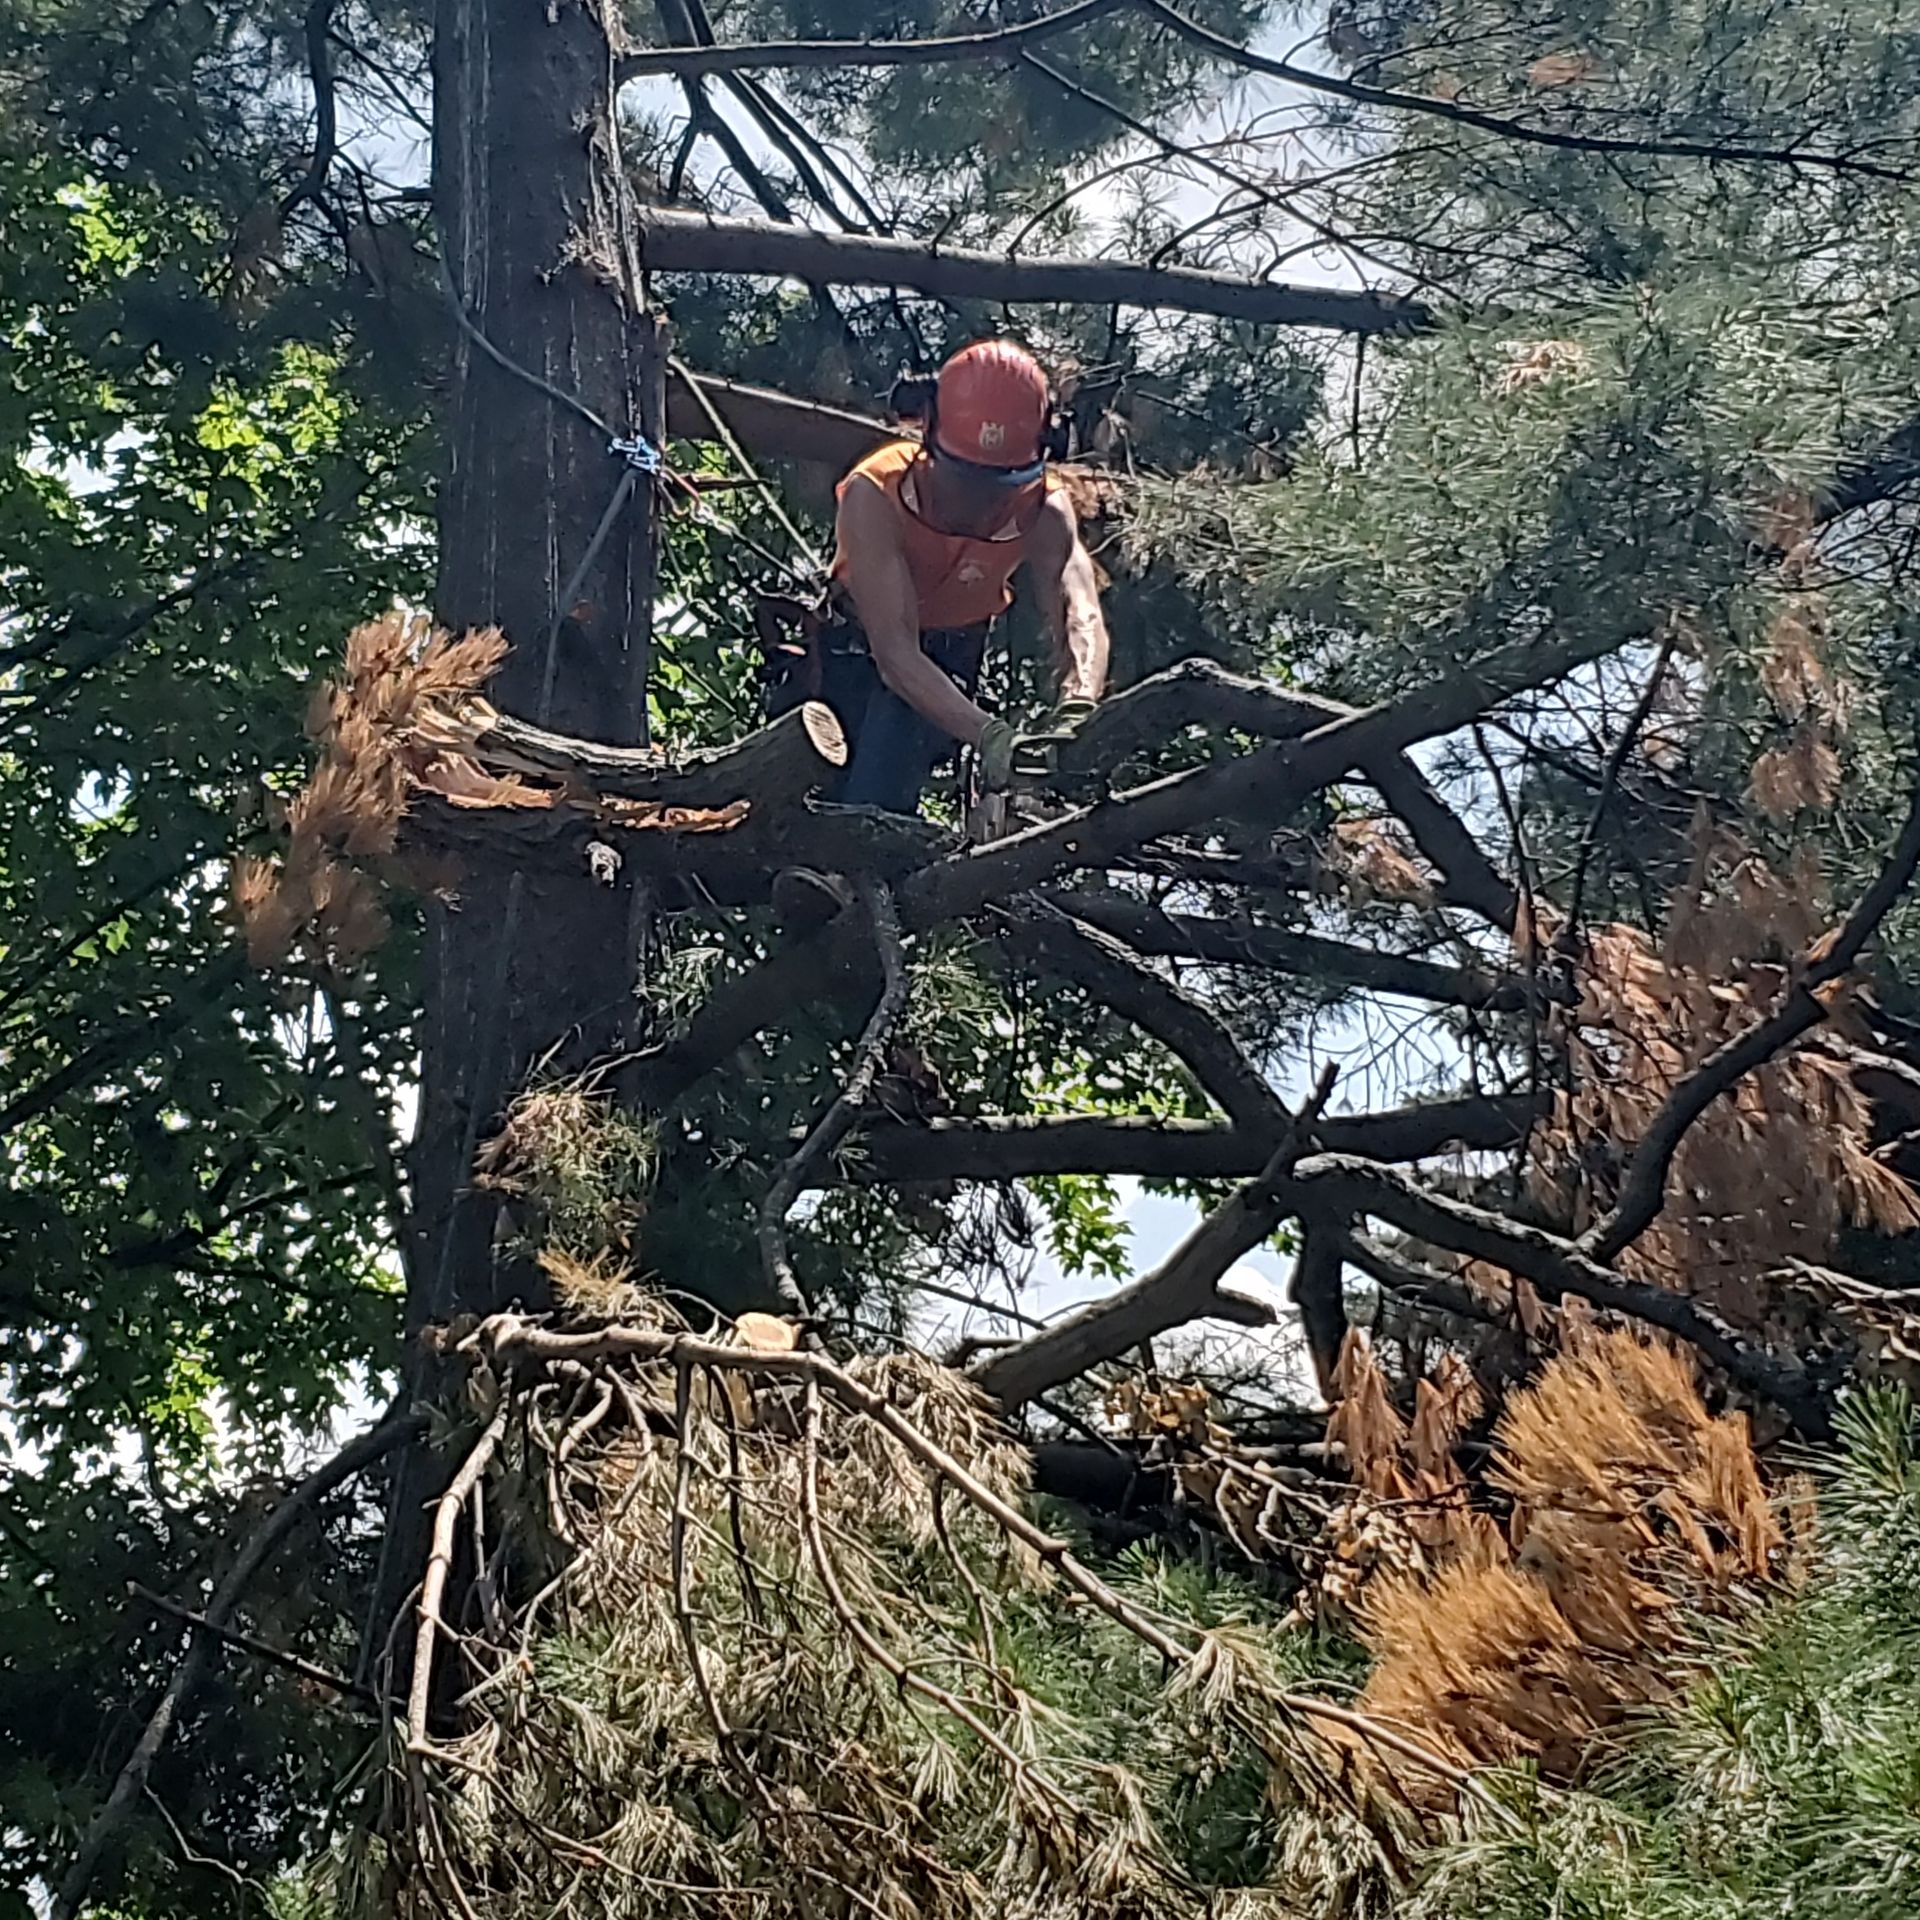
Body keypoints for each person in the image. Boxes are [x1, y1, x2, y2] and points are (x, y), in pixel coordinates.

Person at [769, 339, 1111, 925]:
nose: (979, 501)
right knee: (853, 743)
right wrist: (992, 736)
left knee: (913, 722)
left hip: (952, 653)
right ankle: (829, 865)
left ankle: (860, 874)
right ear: (925, 434)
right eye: (965, 478)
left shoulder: (1044, 511)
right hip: (854, 654)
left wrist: (1077, 708)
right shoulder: (875, 492)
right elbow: (896, 654)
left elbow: (1080, 612)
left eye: (1000, 484)